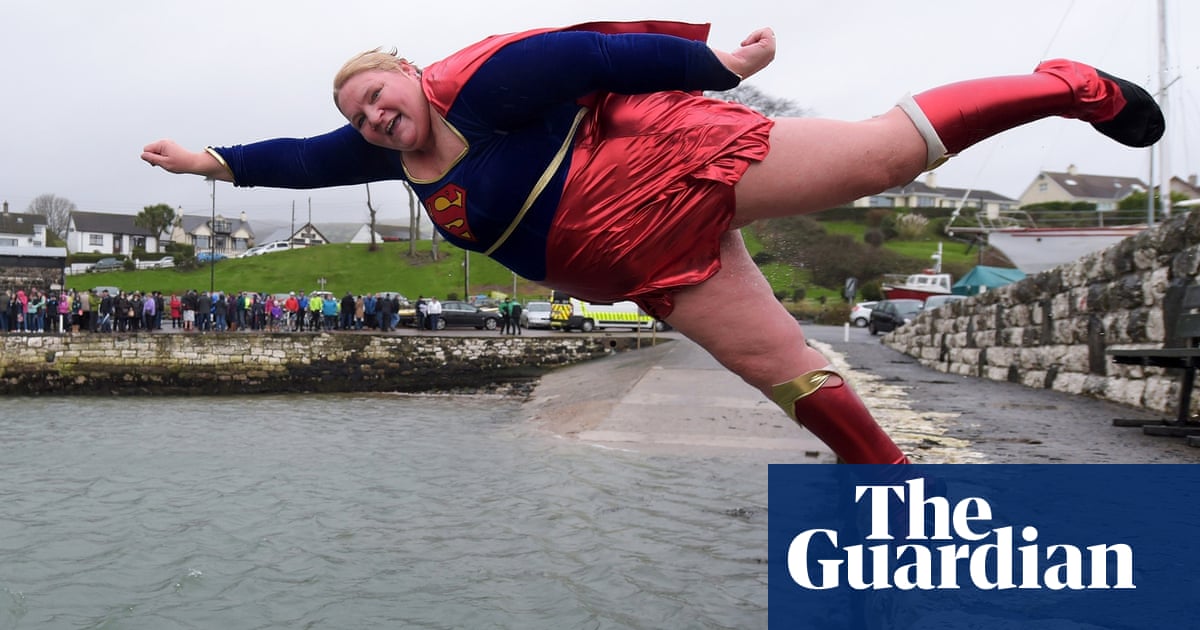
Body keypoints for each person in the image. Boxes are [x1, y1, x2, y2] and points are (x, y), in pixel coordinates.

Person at [142, 21, 1163, 464]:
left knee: (877, 159)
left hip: (677, 171)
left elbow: (597, 54)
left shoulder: (491, 81)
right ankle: (886, 481)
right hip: (655, 269)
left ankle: (1066, 87)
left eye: (376, 96)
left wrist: (713, 63)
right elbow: (297, 159)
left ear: (407, 73)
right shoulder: (390, 156)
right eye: (360, 115)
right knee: (783, 372)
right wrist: (203, 162)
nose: (371, 119)